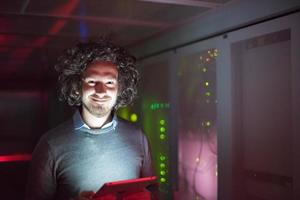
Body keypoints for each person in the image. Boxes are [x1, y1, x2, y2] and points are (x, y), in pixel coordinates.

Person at [26, 39, 153, 200]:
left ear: (119, 88)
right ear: (78, 87)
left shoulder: (138, 137)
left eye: (109, 82)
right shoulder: (50, 145)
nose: (101, 91)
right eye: (92, 81)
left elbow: (152, 192)